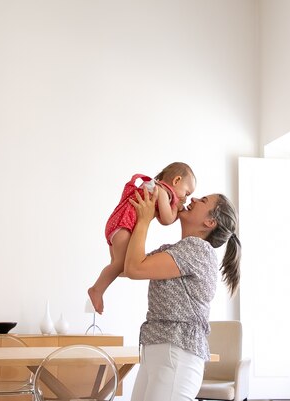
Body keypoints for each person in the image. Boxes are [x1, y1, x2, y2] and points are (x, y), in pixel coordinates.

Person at [125, 185, 241, 401]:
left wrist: (144, 219)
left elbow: (134, 268)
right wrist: (137, 216)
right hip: (159, 351)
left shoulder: (198, 250)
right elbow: (127, 265)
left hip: (176, 355)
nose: (194, 199)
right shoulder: (176, 250)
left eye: (203, 200)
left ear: (210, 222)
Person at [88, 162, 197, 314]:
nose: (185, 198)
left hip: (117, 225)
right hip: (124, 226)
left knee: (119, 267)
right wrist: (176, 210)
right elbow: (166, 220)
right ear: (176, 180)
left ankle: (103, 282)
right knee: (120, 265)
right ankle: (97, 290)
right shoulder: (163, 192)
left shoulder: (155, 188)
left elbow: (159, 217)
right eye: (187, 193)